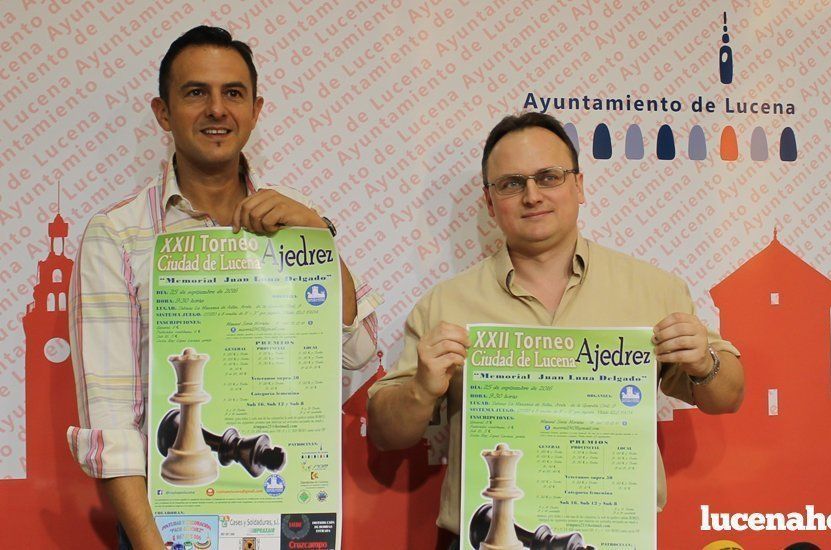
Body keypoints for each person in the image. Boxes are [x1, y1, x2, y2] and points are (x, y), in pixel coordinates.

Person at [367, 112, 744, 547]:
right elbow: (385, 432)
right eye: (511, 183)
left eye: (549, 177)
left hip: (611, 534)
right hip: (483, 537)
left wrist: (705, 363)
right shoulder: (446, 305)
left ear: (578, 186)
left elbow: (729, 396)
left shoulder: (653, 291)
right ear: (490, 203)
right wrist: (419, 389)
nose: (532, 196)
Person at [66, 26, 379, 549]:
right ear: (163, 113)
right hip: (166, 529)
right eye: (195, 93)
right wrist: (150, 544)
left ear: (255, 110)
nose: (217, 109)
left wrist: (319, 238)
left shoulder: (294, 219)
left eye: (232, 94)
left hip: (285, 518)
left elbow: (358, 351)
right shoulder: (117, 235)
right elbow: (111, 422)